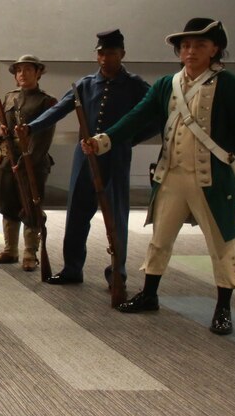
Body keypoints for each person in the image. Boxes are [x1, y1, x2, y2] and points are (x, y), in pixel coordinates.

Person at [83, 19, 235, 335]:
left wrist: (224, 151)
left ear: (215, 49)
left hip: (211, 178)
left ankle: (223, 308)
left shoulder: (233, 86)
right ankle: (150, 294)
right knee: (159, 240)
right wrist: (105, 139)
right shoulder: (169, 84)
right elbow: (137, 116)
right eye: (185, 46)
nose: (190, 51)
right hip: (171, 175)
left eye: (199, 45)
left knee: (222, 244)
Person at [23, 29, 154, 286]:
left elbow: (156, 116)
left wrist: (128, 140)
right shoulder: (85, 85)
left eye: (112, 53)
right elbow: (59, 110)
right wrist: (31, 127)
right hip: (84, 158)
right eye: (102, 53)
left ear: (122, 54)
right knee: (77, 214)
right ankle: (72, 267)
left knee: (116, 215)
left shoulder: (134, 85)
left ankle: (118, 272)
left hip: (115, 159)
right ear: (96, 55)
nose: (106, 58)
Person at [0, 55, 56, 270]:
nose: (22, 74)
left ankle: (30, 253)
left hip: (32, 163)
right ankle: (10, 250)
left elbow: (43, 137)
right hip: (7, 159)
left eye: (28, 69)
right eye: (19, 70)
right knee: (8, 204)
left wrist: (27, 161)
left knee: (31, 206)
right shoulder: (10, 97)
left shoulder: (46, 101)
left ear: (38, 73)